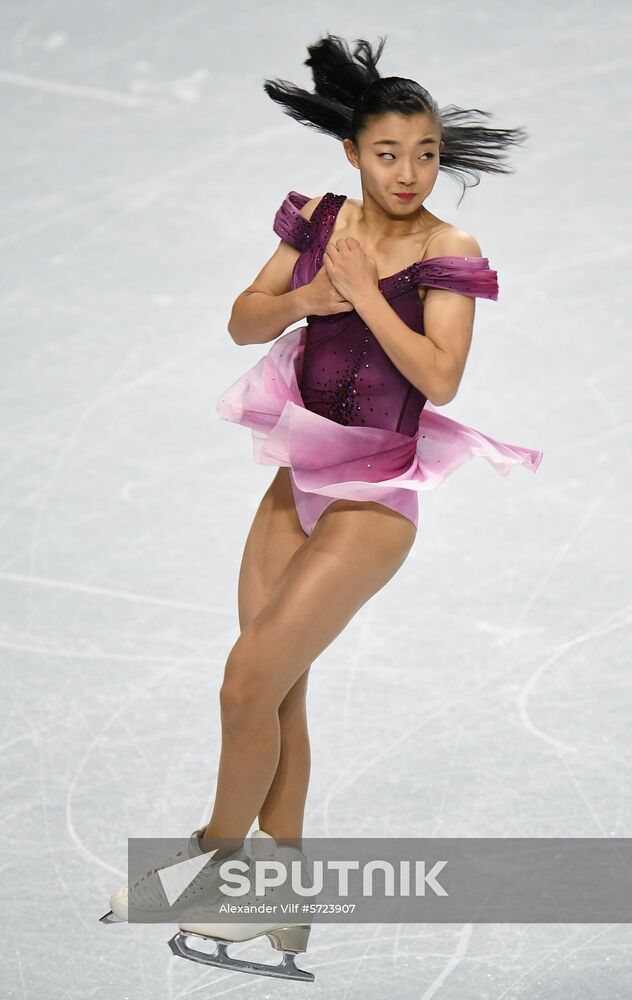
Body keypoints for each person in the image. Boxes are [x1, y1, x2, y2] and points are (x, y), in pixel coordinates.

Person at [100, 32, 543, 982]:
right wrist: (313, 291)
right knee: (277, 694)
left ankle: (212, 861)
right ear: (352, 152)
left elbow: (441, 377)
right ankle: (281, 908)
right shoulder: (318, 217)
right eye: (388, 153)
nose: (409, 172)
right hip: (292, 481)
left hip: (375, 499)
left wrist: (363, 297)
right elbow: (242, 320)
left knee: (243, 683)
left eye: (425, 153)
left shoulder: (446, 248)